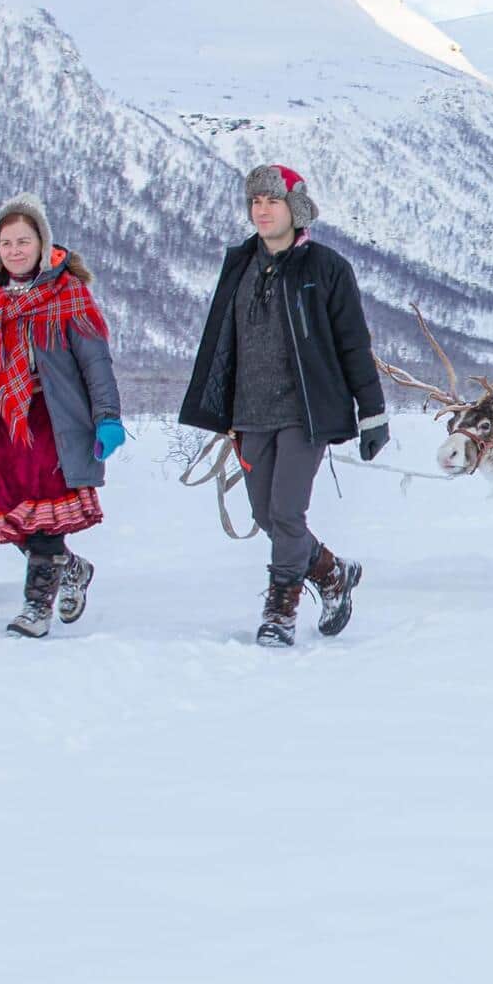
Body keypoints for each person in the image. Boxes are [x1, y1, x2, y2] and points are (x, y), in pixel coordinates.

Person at [178, 164, 390, 647]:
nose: (262, 210)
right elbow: (222, 340)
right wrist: (219, 407)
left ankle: (281, 608)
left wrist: (372, 412)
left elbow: (353, 343)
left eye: (271, 201)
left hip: (306, 412)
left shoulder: (327, 268)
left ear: (294, 208)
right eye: (255, 201)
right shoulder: (239, 264)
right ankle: (332, 572)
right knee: (265, 516)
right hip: (249, 413)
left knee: (287, 513)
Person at [0, 193, 124, 639]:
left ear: (42, 244)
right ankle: (71, 568)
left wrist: (108, 416)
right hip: (1, 423)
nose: (15, 250)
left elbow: (95, 362)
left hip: (51, 423)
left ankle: (36, 608)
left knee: (43, 515)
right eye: (7, 243)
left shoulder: (68, 296)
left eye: (24, 241)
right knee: (15, 514)